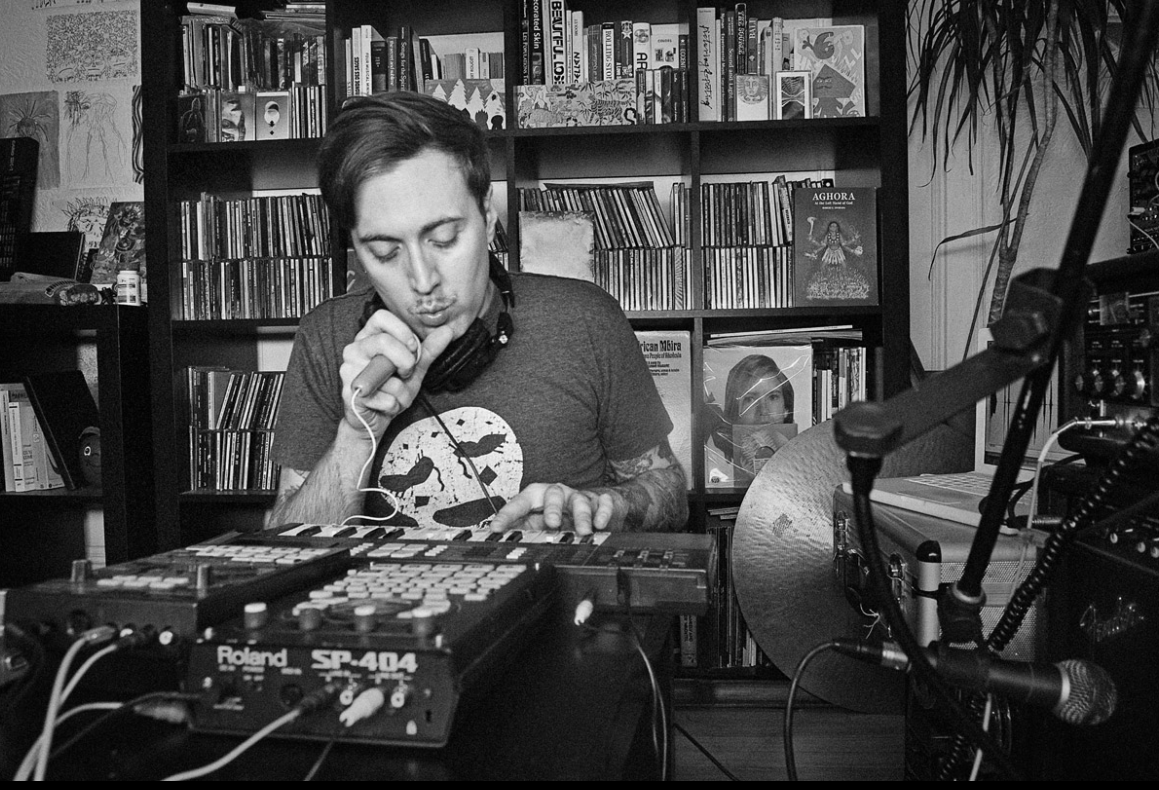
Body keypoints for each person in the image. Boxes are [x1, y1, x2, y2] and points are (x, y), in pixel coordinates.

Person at [268, 92, 687, 536]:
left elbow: (671, 497)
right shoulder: (325, 337)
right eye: (386, 252)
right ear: (356, 247)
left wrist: (600, 507)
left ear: (487, 217)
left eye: (445, 239)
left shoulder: (586, 320)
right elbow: (285, 548)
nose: (423, 280)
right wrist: (356, 435)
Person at [704, 354, 796, 483]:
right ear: (734, 411)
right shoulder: (717, 464)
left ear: (786, 408)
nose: (763, 411)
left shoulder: (804, 456)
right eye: (750, 399)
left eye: (773, 397)